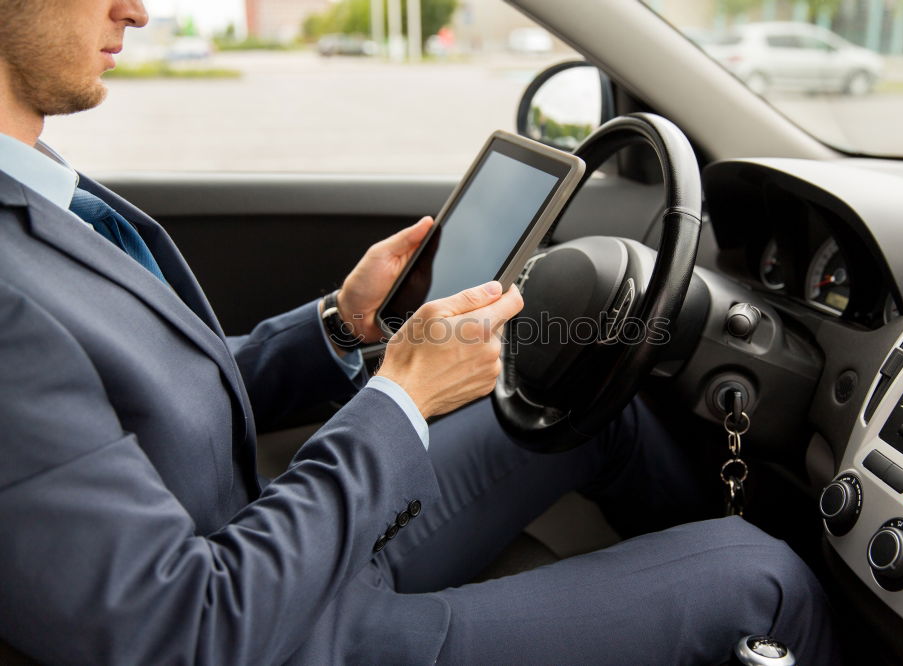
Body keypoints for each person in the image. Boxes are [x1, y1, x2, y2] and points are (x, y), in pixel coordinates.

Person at [0, 1, 841, 664]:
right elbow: (188, 634)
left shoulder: (41, 190)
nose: (136, 10)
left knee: (584, 408)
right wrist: (402, 396)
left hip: (285, 552)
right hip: (282, 632)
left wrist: (343, 321)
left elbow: (158, 393)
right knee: (764, 577)